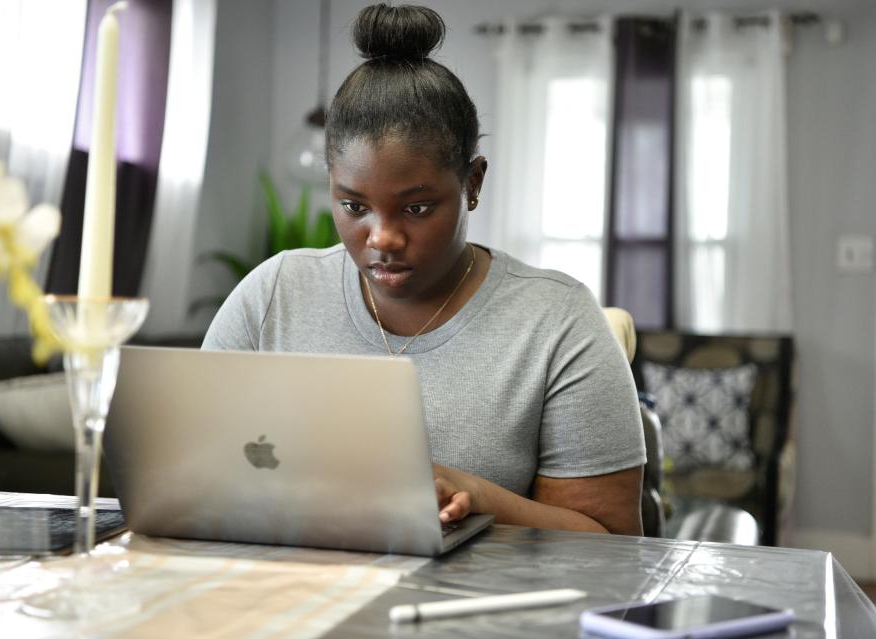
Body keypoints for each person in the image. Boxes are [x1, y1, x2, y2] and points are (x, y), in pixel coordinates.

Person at [203, 3, 646, 535]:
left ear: (473, 184)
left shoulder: (556, 322)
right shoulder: (273, 295)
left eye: (416, 208)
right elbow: (189, 474)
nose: (382, 238)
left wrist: (477, 494)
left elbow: (616, 546)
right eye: (353, 206)